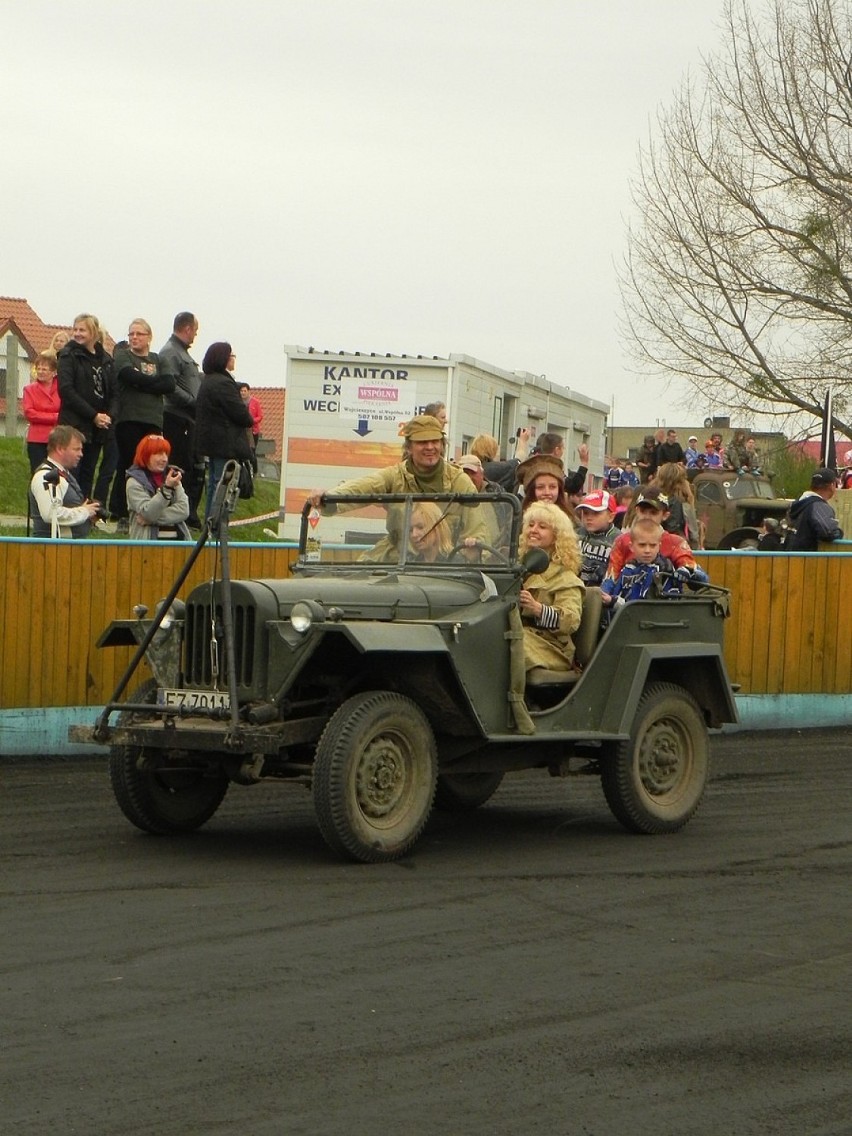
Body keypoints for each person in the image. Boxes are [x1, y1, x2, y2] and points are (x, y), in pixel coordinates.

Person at [308, 414, 483, 560]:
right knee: (354, 583)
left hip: (443, 562)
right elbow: (363, 487)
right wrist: (328, 496)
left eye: (435, 441)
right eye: (422, 442)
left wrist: (472, 552)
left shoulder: (459, 481)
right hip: (397, 558)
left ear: (442, 445)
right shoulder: (395, 476)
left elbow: (480, 527)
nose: (430, 447)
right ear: (408, 447)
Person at [109, 319, 175, 529]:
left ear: (149, 337)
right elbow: (128, 376)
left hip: (153, 421)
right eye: (131, 334)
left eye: (139, 334)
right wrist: (153, 384)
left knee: (152, 466)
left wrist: (141, 382)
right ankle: (121, 512)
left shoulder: (159, 359)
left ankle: (150, 508)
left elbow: (169, 384)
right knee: (129, 464)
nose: (134, 338)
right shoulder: (123, 356)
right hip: (129, 419)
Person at [518, 502, 585, 675]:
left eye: (542, 527)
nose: (533, 530)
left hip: (552, 646)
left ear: (556, 536)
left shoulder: (565, 578)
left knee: (510, 644)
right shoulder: (519, 567)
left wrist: (538, 609)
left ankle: (515, 700)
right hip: (520, 633)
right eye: (530, 525)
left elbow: (570, 620)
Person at [56, 313, 117, 499]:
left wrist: (108, 416)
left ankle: (85, 513)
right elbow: (66, 390)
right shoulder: (68, 356)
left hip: (98, 428)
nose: (77, 334)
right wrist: (93, 415)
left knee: (88, 472)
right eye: (75, 329)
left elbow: (114, 393)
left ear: (93, 333)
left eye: (82, 330)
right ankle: (71, 509)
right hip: (74, 424)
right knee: (72, 471)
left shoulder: (105, 360)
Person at [195, 342, 255, 519]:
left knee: (215, 483)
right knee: (222, 486)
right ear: (223, 359)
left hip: (212, 442)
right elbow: (240, 413)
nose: (233, 359)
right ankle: (216, 525)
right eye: (231, 355)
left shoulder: (209, 380)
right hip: (224, 442)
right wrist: (249, 418)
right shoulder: (223, 383)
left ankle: (210, 523)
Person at [604, 488, 706, 589]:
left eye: (653, 512)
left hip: (664, 602)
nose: (647, 516)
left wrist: (689, 572)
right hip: (628, 602)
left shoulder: (676, 542)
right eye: (643, 511)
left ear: (665, 515)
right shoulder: (622, 541)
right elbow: (610, 579)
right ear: (637, 511)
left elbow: (699, 577)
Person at [160, 312, 203, 526]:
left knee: (188, 464)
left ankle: (186, 513)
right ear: (187, 329)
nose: (196, 335)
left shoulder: (181, 352)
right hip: (176, 417)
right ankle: (174, 512)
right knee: (177, 464)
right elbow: (170, 386)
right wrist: (192, 401)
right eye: (195, 330)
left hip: (187, 418)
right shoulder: (170, 352)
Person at [601, 516, 696, 609]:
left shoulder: (664, 569)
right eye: (642, 545)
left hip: (656, 619)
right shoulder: (628, 568)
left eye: (652, 545)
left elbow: (646, 608)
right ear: (631, 547)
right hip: (626, 618)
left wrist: (613, 601)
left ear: (659, 546)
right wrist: (609, 599)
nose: (647, 550)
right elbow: (616, 593)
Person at [28, 425, 101, 539]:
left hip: (65, 550)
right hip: (52, 551)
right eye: (76, 449)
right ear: (60, 449)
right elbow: (50, 514)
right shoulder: (44, 476)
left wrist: (86, 513)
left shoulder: (63, 474)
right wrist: (85, 512)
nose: (81, 454)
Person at [125, 433, 191, 541]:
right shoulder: (134, 481)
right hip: (147, 547)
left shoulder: (172, 476)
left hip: (179, 544)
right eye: (159, 454)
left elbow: (184, 510)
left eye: (166, 454)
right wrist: (167, 489)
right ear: (146, 455)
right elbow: (148, 512)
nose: (164, 459)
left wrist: (152, 520)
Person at [786, 468, 844, 551]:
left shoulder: (799, 502)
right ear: (832, 485)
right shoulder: (818, 506)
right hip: (807, 559)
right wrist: (839, 532)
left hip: (789, 557)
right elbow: (828, 532)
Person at [23, 350, 61, 471]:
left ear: (54, 372)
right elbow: (30, 413)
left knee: (57, 474)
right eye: (38, 368)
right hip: (37, 439)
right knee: (38, 473)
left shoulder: (62, 388)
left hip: (57, 437)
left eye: (44, 369)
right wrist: (55, 417)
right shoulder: (29, 389)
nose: (40, 372)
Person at [574, 489, 618, 586]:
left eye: (596, 513)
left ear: (611, 517)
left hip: (602, 592)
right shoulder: (575, 534)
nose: (589, 518)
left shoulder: (618, 540)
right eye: (585, 513)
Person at [238, 382, 264, 473]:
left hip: (253, 431)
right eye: (241, 391)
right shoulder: (238, 402)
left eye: (244, 391)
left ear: (248, 392)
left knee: (252, 451)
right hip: (241, 430)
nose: (243, 393)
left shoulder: (255, 402)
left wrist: (252, 421)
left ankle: (254, 470)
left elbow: (260, 416)